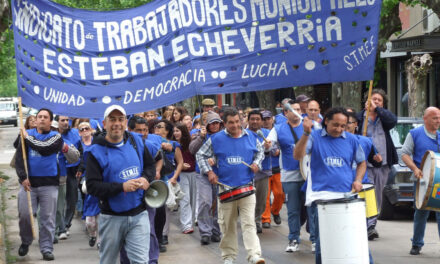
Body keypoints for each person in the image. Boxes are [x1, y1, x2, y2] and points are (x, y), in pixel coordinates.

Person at [293, 107, 367, 264]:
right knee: (324, 243)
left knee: (354, 240)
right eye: (335, 125)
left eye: (343, 126)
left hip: (346, 197)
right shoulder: (314, 136)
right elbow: (297, 155)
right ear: (326, 121)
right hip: (321, 198)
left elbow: (362, 162)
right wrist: (305, 133)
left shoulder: (352, 140)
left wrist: (358, 180)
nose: (339, 129)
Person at [86, 105, 156, 264]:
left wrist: (146, 178)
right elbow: (92, 187)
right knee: (108, 261)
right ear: (104, 123)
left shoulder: (136, 141)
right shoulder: (95, 152)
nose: (116, 123)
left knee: (141, 262)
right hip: (111, 218)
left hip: (139, 214)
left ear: (125, 122)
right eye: (112, 119)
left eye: (120, 119)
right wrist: (121, 187)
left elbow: (150, 166)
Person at [196, 108, 266, 264]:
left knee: (249, 223)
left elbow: (261, 152)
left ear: (241, 121)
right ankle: (228, 257)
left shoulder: (251, 137)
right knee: (227, 225)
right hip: (225, 188)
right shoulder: (216, 139)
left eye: (237, 122)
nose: (235, 125)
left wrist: (256, 163)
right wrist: (209, 172)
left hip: (247, 187)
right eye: (230, 123)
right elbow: (200, 155)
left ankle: (254, 255)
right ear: (224, 123)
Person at [15, 108, 64, 260]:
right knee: (25, 215)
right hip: (28, 184)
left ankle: (46, 248)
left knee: (47, 218)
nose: (42, 119)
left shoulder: (56, 137)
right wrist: (22, 177)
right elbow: (18, 156)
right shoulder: (27, 135)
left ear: (50, 121)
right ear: (35, 120)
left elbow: (44, 149)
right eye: (39, 117)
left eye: (45, 117)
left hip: (49, 184)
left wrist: (27, 137)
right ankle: (26, 241)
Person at [265, 100, 314, 252]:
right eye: (293, 110)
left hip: (310, 175)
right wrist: (267, 146)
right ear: (285, 113)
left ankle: (315, 240)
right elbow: (269, 145)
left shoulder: (310, 126)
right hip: (290, 174)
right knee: (293, 209)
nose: (297, 112)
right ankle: (293, 238)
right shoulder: (278, 129)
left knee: (312, 209)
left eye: (299, 109)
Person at [356, 89, 398, 238]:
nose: (376, 102)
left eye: (379, 100)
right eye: (373, 99)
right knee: (366, 193)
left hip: (383, 163)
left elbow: (393, 121)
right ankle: (363, 224)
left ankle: (371, 225)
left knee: (377, 195)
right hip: (364, 164)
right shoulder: (360, 117)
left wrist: (378, 109)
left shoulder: (384, 118)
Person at [400, 107, 440, 255]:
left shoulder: (439, 136)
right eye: (435, 118)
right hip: (421, 180)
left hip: (439, 180)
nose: (438, 121)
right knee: (421, 212)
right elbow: (404, 154)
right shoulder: (415, 134)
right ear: (425, 119)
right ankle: (417, 244)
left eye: (439, 117)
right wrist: (415, 169)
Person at [346, 111, 383, 240]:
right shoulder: (334, 141)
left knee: (369, 206)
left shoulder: (366, 141)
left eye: (348, 122)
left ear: (355, 124)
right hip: (344, 184)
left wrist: (378, 160)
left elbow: (375, 161)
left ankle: (370, 228)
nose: (345, 125)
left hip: (362, 182)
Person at [189, 110, 223, 246]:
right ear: (206, 124)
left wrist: (215, 160)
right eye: (211, 123)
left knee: (218, 204)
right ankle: (205, 232)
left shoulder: (225, 136)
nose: (214, 126)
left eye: (217, 123)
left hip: (220, 174)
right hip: (202, 174)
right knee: (205, 202)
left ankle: (216, 230)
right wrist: (201, 137)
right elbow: (192, 150)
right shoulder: (199, 135)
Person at [153, 119, 183, 250]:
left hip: (166, 180)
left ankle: (161, 237)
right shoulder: (149, 142)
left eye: (160, 127)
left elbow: (180, 162)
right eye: (155, 127)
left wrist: (175, 177)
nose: (157, 129)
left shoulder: (173, 144)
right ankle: (154, 238)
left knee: (164, 211)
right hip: (152, 181)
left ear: (167, 131)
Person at [56, 115, 83, 234]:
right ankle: (60, 227)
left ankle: (66, 224)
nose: (66, 122)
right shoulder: (53, 134)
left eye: (67, 120)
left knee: (72, 200)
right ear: (57, 122)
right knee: (59, 201)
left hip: (72, 171)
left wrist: (80, 168)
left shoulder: (75, 133)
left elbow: (81, 152)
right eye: (63, 120)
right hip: (58, 171)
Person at [247, 110, 271, 234]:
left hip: (263, 171)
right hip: (247, 172)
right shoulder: (243, 134)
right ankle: (250, 222)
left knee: (261, 200)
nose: (255, 121)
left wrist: (269, 148)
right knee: (248, 199)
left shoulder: (267, 134)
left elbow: (275, 150)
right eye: (252, 119)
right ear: (248, 120)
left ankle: (257, 220)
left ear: (261, 121)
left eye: (258, 119)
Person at [77, 122, 100, 248]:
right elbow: (80, 160)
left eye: (87, 128)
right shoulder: (84, 150)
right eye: (82, 129)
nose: (85, 130)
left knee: (103, 221)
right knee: (90, 223)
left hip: (102, 191)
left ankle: (100, 242)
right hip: (89, 184)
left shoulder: (99, 146)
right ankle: (92, 235)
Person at [260, 110, 284, 229]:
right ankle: (266, 218)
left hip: (278, 167)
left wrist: (279, 150)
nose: (266, 121)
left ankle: (275, 211)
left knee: (280, 194)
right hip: (265, 168)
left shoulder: (279, 130)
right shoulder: (260, 133)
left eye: (268, 118)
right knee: (265, 195)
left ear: (272, 119)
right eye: (263, 119)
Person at [173, 123, 197, 234]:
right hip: (181, 174)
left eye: (178, 130)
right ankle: (186, 225)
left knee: (193, 198)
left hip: (193, 173)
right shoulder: (173, 145)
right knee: (185, 199)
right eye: (174, 131)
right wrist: (179, 166)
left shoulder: (191, 144)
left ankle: (191, 221)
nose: (175, 133)